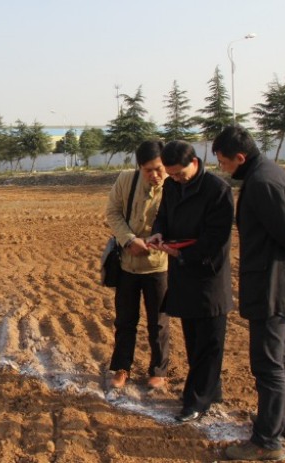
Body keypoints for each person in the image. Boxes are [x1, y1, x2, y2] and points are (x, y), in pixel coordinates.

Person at [213, 126, 285, 461]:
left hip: (270, 283)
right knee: (280, 356)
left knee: (267, 364)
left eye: (224, 162)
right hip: (275, 280)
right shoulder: (270, 173)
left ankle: (266, 441)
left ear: (240, 157)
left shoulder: (261, 182)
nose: (223, 168)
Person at [146, 140, 234, 422]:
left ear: (194, 163)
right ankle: (211, 391)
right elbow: (163, 215)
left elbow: (216, 239)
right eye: (171, 174)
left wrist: (182, 253)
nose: (175, 179)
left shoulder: (218, 190)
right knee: (194, 339)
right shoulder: (173, 186)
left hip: (208, 275)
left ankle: (196, 401)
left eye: (179, 174)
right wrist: (159, 233)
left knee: (209, 341)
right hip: (182, 272)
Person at [105, 140, 169, 390]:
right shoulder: (126, 180)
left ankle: (158, 370)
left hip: (159, 266)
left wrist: (159, 241)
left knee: (159, 322)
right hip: (127, 265)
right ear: (139, 167)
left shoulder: (174, 186)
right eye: (148, 170)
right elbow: (113, 212)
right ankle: (122, 368)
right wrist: (129, 239)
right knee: (125, 320)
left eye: (158, 169)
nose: (154, 175)